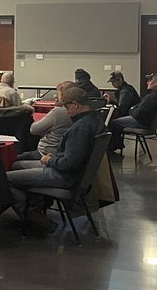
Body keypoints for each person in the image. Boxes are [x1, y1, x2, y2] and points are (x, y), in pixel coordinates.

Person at [6, 86, 101, 231]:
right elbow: (76, 155)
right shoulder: (95, 121)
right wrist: (55, 157)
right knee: (16, 165)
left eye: (67, 106)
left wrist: (50, 160)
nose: (66, 111)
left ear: (75, 104)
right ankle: (35, 204)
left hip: (64, 176)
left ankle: (32, 214)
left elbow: (70, 164)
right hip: (78, 176)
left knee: (5, 178)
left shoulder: (80, 128)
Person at [110, 74, 157, 152]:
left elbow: (139, 112)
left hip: (142, 122)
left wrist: (132, 110)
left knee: (113, 123)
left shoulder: (152, 97)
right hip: (151, 123)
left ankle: (114, 146)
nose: (147, 83)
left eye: (149, 81)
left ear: (156, 83)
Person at [17, 81, 75, 162]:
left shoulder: (58, 112)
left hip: (46, 154)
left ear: (62, 95)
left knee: (14, 160)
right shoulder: (78, 113)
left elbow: (34, 130)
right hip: (62, 153)